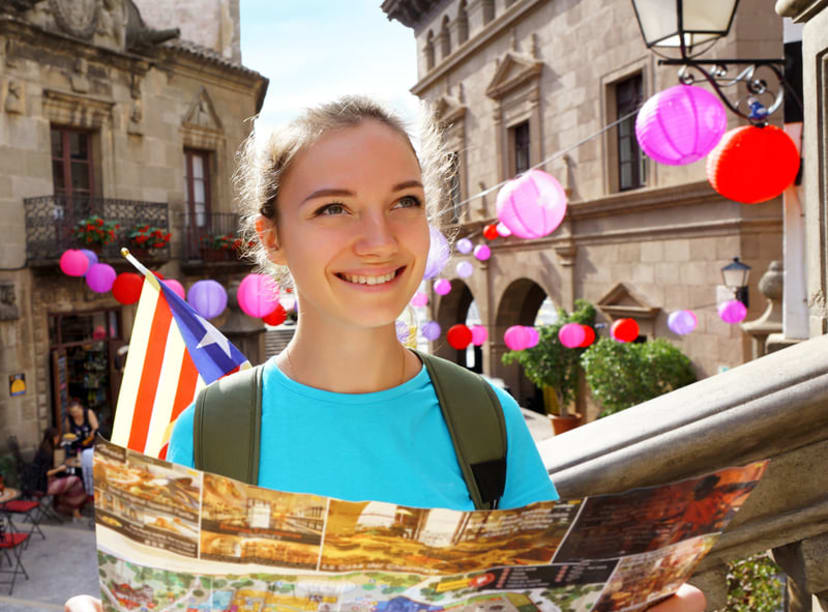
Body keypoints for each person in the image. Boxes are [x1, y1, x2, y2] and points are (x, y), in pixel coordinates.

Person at [65, 96, 704, 612]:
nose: (379, 240)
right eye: (334, 208)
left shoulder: (486, 416)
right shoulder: (211, 430)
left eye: (405, 202)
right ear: (274, 239)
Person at [34, 427, 86, 520]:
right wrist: (59, 469)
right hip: (45, 486)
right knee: (76, 481)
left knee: (70, 478)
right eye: (57, 437)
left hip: (39, 483)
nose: (58, 440)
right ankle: (75, 512)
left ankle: (63, 507)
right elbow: (45, 473)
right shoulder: (47, 453)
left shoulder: (43, 449)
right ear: (54, 438)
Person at [64, 399, 98, 495]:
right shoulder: (69, 419)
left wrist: (92, 433)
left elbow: (95, 428)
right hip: (79, 448)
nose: (75, 414)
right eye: (72, 413)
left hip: (91, 446)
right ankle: (85, 492)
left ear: (81, 409)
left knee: (93, 469)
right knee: (80, 469)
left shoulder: (88, 413)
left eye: (76, 411)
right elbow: (68, 434)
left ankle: (93, 491)